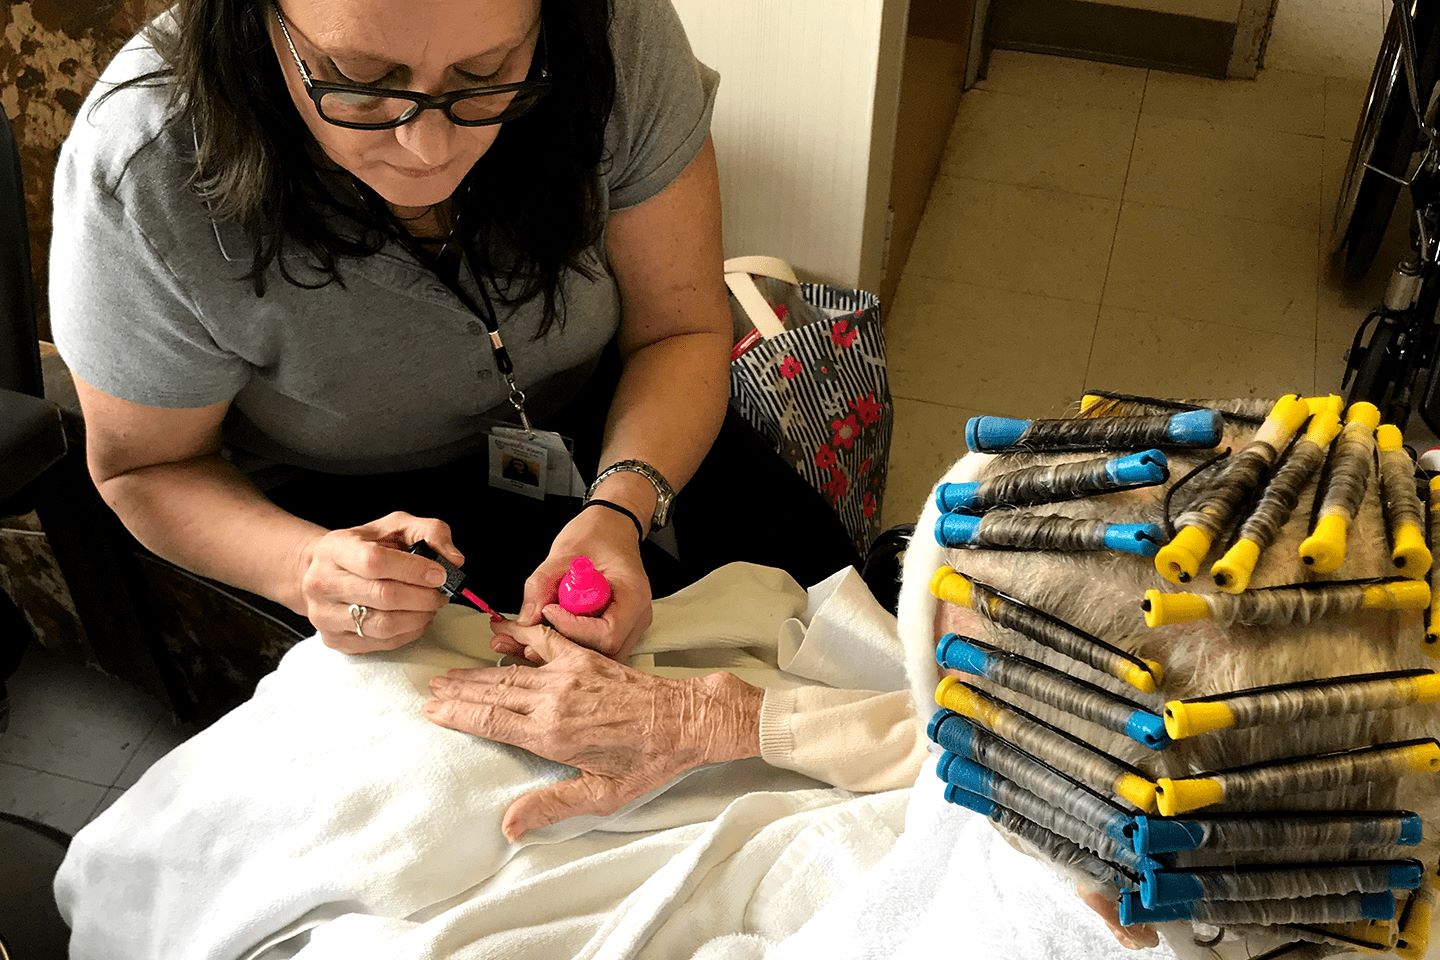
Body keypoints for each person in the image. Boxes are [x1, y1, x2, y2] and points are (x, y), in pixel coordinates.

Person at [49, 0, 862, 667]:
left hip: (617, 412)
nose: (428, 150)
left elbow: (679, 329)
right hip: (346, 511)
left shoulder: (615, 34)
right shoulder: (144, 168)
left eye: (485, 75)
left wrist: (620, 508)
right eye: (360, 82)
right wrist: (307, 568)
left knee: (846, 634)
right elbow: (145, 467)